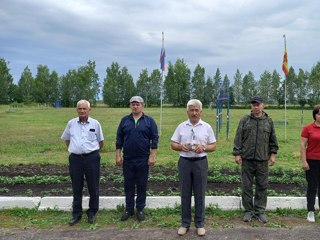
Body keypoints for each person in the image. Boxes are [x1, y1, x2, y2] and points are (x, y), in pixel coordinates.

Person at [171, 99, 216, 237]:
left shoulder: (207, 127)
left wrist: (203, 147)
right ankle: (185, 224)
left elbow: (213, 146)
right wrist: (180, 146)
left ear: (201, 112)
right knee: (185, 193)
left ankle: (200, 224)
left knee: (199, 193)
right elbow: (173, 143)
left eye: (197, 110)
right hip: (184, 162)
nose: (194, 113)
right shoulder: (181, 126)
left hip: (200, 162)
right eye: (192, 110)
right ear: (187, 111)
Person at [232, 96, 278, 224]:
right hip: (247, 159)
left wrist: (273, 155)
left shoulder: (268, 121)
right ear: (251, 106)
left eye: (258, 104)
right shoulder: (244, 120)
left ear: (263, 105)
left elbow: (273, 141)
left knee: (262, 186)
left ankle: (259, 211)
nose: (255, 107)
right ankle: (248, 211)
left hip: (263, 159)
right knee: (246, 186)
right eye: (253, 104)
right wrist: (237, 153)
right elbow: (238, 138)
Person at [61, 99, 104, 226]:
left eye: (84, 108)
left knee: (93, 187)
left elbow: (101, 142)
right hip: (75, 159)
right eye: (80, 108)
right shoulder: (71, 123)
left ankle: (92, 213)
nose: (82, 111)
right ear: (76, 110)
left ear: (89, 110)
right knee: (76, 187)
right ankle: (76, 214)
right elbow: (67, 140)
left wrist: (90, 152)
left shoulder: (95, 124)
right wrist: (76, 150)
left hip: (92, 159)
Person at [115, 96, 159, 222]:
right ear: (130, 106)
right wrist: (118, 154)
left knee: (141, 185)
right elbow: (119, 139)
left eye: (137, 104)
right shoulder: (124, 120)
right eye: (133, 104)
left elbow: (155, 139)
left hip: (143, 159)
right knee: (128, 185)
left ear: (142, 106)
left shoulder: (149, 121)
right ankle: (129, 209)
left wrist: (152, 155)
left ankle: (140, 209)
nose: (135, 106)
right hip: (128, 159)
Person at [300, 104, 320, 222]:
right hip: (312, 162)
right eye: (318, 113)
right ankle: (310, 211)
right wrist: (304, 161)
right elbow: (302, 145)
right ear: (315, 115)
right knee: (312, 187)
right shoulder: (308, 128)